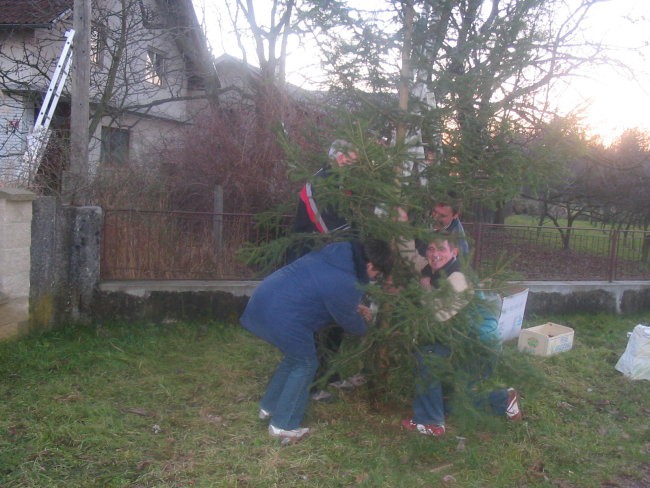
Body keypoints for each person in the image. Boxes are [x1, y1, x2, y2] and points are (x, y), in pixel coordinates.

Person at [240, 239, 393, 441]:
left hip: (264, 299)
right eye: (377, 274)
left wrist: (353, 308)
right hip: (282, 314)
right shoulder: (346, 280)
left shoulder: (339, 256)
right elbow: (348, 320)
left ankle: (269, 407)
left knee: (294, 359)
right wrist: (369, 328)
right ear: (370, 265)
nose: (374, 278)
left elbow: (322, 292)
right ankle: (283, 425)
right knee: (305, 363)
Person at [397, 208, 521, 437]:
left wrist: (424, 288)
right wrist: (402, 224)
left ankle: (430, 423)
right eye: (431, 249)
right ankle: (504, 400)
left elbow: (439, 314)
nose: (434, 254)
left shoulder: (460, 278)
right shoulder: (434, 267)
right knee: (451, 401)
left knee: (429, 357)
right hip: (460, 340)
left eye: (441, 249)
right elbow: (409, 255)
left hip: (479, 347)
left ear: (454, 251)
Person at [290, 139, 363, 402]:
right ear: (338, 158)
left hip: (339, 261)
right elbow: (329, 227)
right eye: (350, 159)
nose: (354, 165)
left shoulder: (346, 185)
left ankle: (330, 374)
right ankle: (312, 385)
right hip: (316, 260)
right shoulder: (317, 186)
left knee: (336, 321)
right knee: (319, 322)